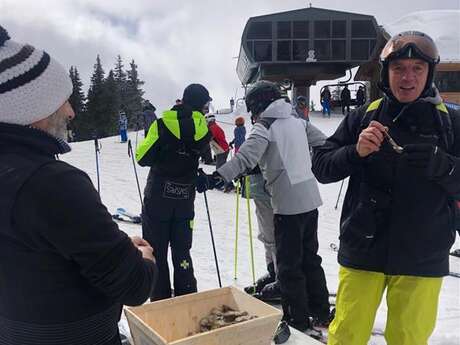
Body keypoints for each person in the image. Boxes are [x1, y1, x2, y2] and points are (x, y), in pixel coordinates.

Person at [0, 26, 157, 345]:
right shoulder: (53, 183)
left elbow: (42, 246)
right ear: (31, 109)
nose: (71, 111)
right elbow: (134, 286)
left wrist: (111, 244)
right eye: (62, 101)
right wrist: (144, 259)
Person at [312, 31, 460, 345]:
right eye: (398, 68)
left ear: (429, 72)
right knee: (347, 335)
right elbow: (321, 166)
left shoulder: (451, 123)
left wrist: (444, 166)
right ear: (386, 72)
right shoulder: (364, 117)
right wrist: (355, 152)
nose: (407, 77)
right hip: (362, 247)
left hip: (423, 254)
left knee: (408, 338)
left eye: (417, 68)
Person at [197, 81, 331, 334]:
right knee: (310, 259)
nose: (253, 116)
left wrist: (217, 177)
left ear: (259, 105)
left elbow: (246, 157)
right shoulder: (298, 122)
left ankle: (298, 322)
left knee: (289, 266)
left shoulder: (265, 127)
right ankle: (321, 311)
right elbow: (325, 143)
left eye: (252, 110)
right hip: (310, 201)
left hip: (287, 206)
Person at [136, 83, 212, 301]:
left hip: (158, 197)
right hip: (185, 198)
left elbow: (143, 158)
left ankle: (159, 300)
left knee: (156, 251)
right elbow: (206, 156)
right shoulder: (203, 129)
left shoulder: (161, 124)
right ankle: (186, 296)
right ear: (202, 105)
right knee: (182, 251)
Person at [206, 113, 233, 192]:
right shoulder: (214, 126)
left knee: (220, 168)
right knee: (220, 167)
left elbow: (210, 137)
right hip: (221, 149)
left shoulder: (213, 127)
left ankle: (228, 184)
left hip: (222, 150)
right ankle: (224, 183)